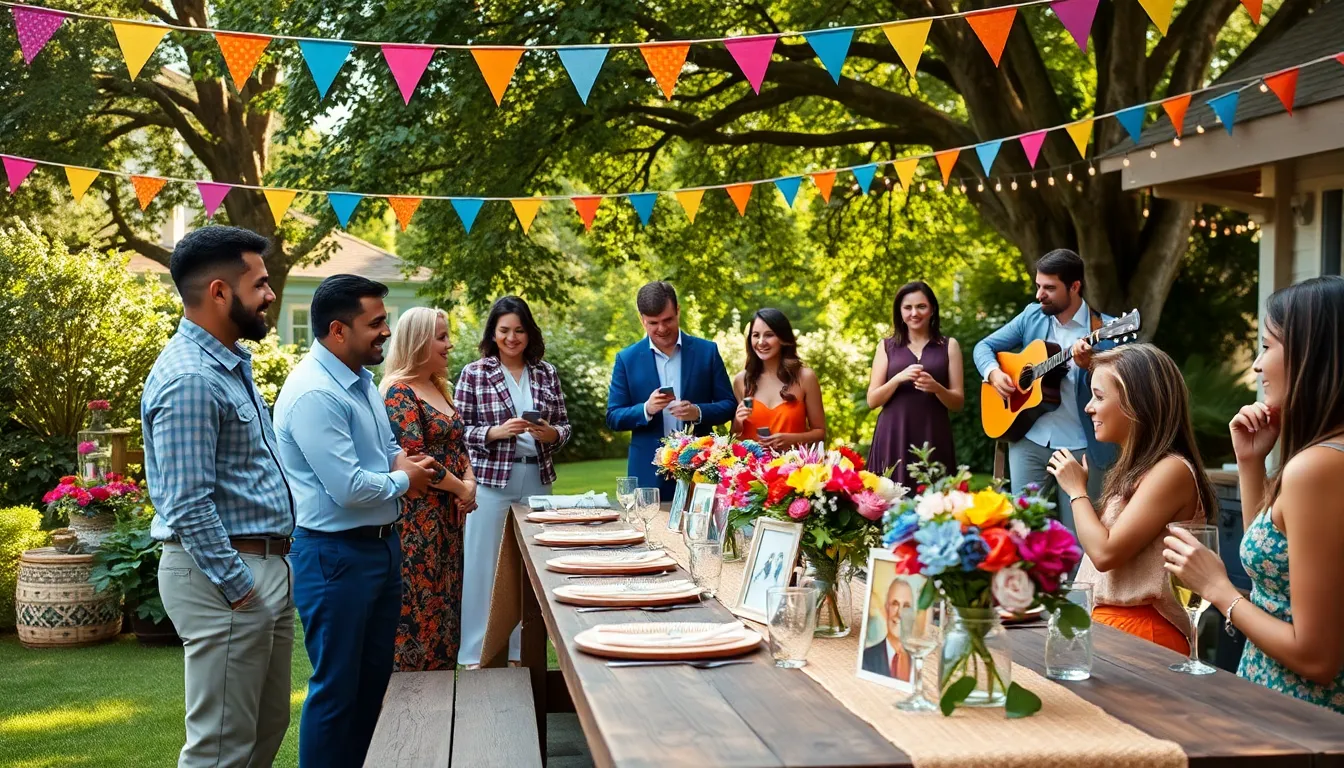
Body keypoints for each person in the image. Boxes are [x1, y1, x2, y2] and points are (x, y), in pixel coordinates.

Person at [142, 226, 295, 768]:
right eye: (261, 283)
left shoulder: (229, 364)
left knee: (265, 727)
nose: (270, 294)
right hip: (226, 576)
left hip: (261, 567)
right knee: (221, 746)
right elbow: (186, 503)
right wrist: (238, 587)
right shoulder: (191, 378)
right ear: (220, 293)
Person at [274, 275, 438, 768]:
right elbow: (347, 489)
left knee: (373, 684)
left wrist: (402, 467)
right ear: (337, 330)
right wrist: (407, 480)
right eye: (377, 323)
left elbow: (385, 453)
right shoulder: (315, 394)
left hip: (380, 549)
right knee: (336, 690)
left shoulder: (361, 381)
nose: (386, 332)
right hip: (334, 557)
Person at [1163, 277, 1344, 713]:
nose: (1257, 366)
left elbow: (1316, 658)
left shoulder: (1318, 467)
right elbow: (1274, 581)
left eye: (1267, 346)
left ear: (1311, 354)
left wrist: (1218, 590)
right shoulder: (1323, 459)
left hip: (1300, 724)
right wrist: (1251, 464)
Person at [1046, 344, 1215, 654]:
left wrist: (1076, 490)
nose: (1089, 408)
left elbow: (1105, 553)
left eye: (1099, 396)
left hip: (1144, 634)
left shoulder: (1171, 470)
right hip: (1114, 630)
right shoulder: (1139, 470)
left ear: (1137, 403)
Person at [453, 296, 571, 668]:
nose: (512, 337)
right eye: (504, 330)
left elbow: (565, 427)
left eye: (519, 330)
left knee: (532, 566)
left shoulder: (546, 372)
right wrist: (495, 432)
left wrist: (551, 434)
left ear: (529, 332)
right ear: (493, 333)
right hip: (491, 481)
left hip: (537, 476)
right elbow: (459, 431)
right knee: (483, 562)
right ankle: (476, 651)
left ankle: (523, 650)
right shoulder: (475, 373)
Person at [973, 249, 1119, 528]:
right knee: (1022, 530)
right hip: (1030, 438)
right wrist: (993, 373)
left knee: (1082, 538)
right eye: (1038, 286)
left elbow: (1123, 389)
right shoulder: (1032, 316)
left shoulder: (1107, 330)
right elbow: (984, 347)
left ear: (1074, 287)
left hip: (1082, 446)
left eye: (1049, 288)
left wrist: (1091, 366)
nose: (1040, 294)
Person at [380, 307, 480, 672]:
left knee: (447, 609)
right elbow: (414, 459)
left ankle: (440, 703)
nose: (450, 344)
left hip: (450, 523)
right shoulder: (398, 392)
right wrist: (461, 489)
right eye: (441, 336)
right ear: (418, 341)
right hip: (420, 523)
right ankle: (412, 711)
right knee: (420, 615)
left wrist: (469, 483)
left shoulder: (437, 386)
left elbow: (458, 445)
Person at [605, 281, 735, 494]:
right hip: (648, 472)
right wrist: (646, 409)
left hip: (700, 469)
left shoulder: (707, 352)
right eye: (653, 323)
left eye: (668, 320)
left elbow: (729, 405)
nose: (662, 329)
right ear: (641, 319)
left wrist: (698, 412)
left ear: (678, 311)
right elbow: (613, 416)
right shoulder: (626, 359)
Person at [867, 282, 963, 485]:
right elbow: (872, 400)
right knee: (889, 499)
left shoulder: (949, 346)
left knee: (935, 503)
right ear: (899, 312)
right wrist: (897, 379)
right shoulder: (886, 346)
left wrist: (937, 388)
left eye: (921, 306)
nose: (914, 313)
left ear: (932, 309)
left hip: (934, 433)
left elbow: (958, 403)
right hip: (894, 434)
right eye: (907, 307)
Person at [732, 308, 826, 451]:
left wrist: (792, 440)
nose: (761, 342)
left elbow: (820, 432)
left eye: (769, 335)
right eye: (756, 335)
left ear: (783, 339)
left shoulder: (805, 377)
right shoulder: (741, 380)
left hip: (793, 469)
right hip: (750, 469)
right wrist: (738, 422)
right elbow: (734, 438)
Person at [862, 578, 919, 681]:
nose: (900, 613)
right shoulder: (866, 658)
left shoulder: (919, 659)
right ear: (885, 609)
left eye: (906, 606)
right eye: (895, 604)